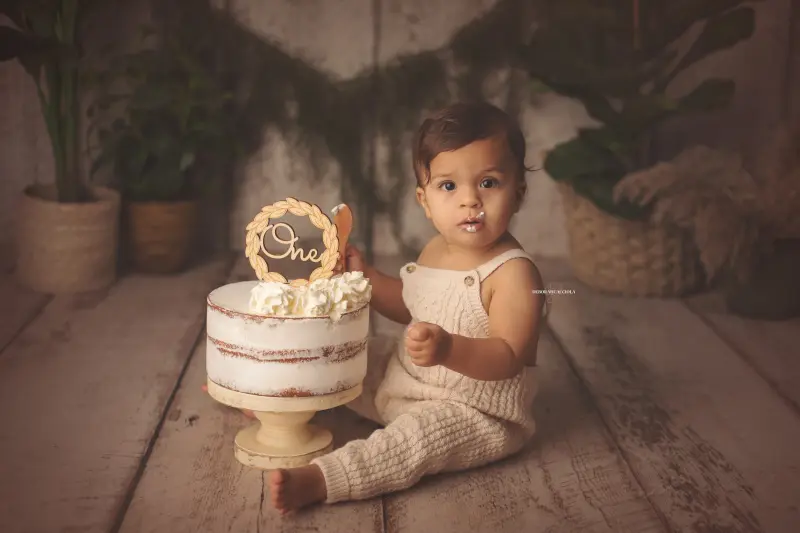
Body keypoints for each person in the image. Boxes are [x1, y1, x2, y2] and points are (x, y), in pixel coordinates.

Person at [268, 101, 547, 514]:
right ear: (425, 200)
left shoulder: (514, 274)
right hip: (405, 378)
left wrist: (449, 349)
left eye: (488, 183)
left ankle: (322, 479)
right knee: (343, 355)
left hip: (473, 412)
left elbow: (508, 356)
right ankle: (275, 403)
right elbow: (409, 303)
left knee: (411, 442)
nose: (470, 200)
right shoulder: (435, 248)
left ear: (518, 193)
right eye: (449, 186)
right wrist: (365, 277)